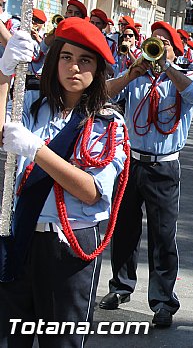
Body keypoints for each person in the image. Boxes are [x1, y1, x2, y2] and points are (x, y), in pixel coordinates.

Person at [0, 18, 128, 346]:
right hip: (21, 236)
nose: (73, 67)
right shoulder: (32, 102)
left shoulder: (106, 122)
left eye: (85, 60)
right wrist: (4, 72)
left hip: (69, 245)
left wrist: (37, 150)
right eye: (66, 57)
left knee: (61, 341)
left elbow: (90, 190)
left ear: (97, 69)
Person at [99, 21, 193, 328]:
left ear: (173, 49)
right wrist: (132, 72)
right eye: (153, 42)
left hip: (164, 167)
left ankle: (162, 301)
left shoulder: (183, 76)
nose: (156, 47)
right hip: (132, 162)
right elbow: (103, 94)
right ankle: (120, 287)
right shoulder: (137, 75)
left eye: (163, 43)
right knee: (125, 228)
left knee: (163, 235)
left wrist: (168, 66)